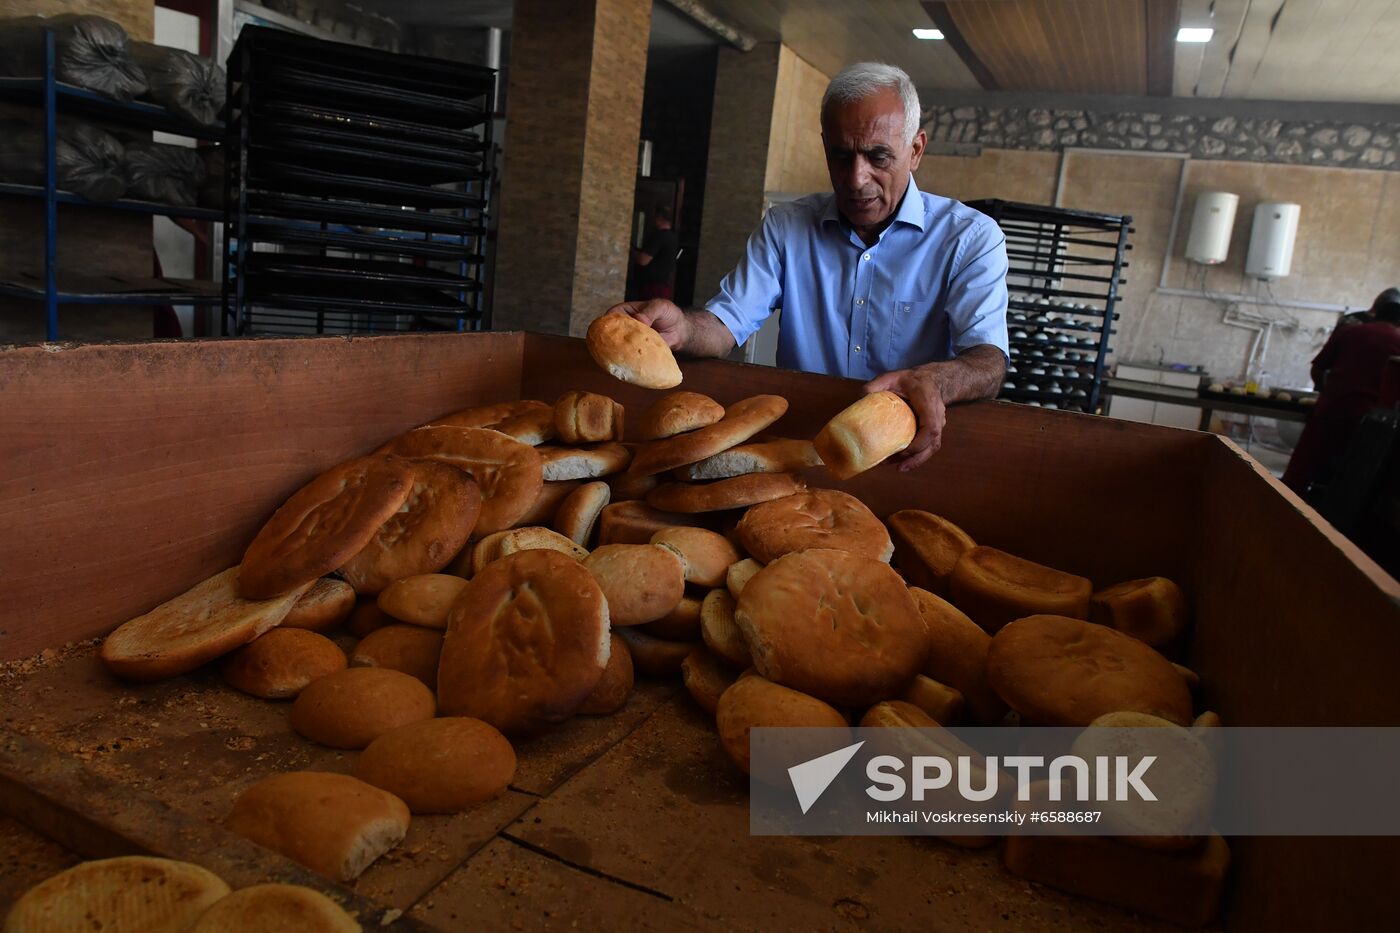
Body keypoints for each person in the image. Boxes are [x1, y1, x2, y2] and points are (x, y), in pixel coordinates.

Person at [605, 62, 1008, 472]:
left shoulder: (969, 238)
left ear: (916, 150)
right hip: (795, 453)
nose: (856, 178)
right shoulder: (786, 227)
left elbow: (989, 364)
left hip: (906, 460)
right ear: (825, 146)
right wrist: (684, 327)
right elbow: (727, 323)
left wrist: (934, 382)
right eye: (841, 156)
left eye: (878, 156)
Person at [1282, 288, 1400, 495]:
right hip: (1368, 421)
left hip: (1330, 411)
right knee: (1350, 481)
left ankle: (1277, 512)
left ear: (1374, 313)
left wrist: (1326, 392)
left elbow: (1318, 369)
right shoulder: (1398, 341)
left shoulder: (1350, 331)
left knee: (1300, 473)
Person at [630, 205, 680, 302]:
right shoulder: (673, 238)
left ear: (659, 217)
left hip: (652, 288)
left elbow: (643, 260)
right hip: (662, 286)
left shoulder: (659, 236)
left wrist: (630, 249)